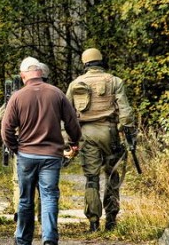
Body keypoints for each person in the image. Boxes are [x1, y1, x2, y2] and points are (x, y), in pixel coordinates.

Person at [1, 56, 81, 245]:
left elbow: (6, 130)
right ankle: (49, 239)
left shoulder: (17, 97)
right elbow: (72, 123)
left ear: (23, 76)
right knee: (49, 197)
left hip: (26, 156)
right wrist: (74, 141)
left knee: (25, 199)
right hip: (51, 156)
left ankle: (22, 240)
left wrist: (16, 148)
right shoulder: (56, 93)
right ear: (40, 72)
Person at [65, 48, 135, 232]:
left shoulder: (76, 84)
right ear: (101, 61)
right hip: (109, 132)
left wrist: (69, 140)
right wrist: (126, 132)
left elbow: (67, 114)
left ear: (85, 63)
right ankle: (111, 219)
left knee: (91, 178)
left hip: (85, 134)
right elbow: (125, 112)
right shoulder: (115, 81)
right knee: (112, 175)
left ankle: (93, 222)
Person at [0, 63, 51, 222]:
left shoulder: (19, 96)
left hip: (24, 146)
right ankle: (43, 218)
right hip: (47, 146)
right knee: (44, 185)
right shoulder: (53, 95)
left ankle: (22, 214)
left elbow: (0, 118)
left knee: (20, 181)